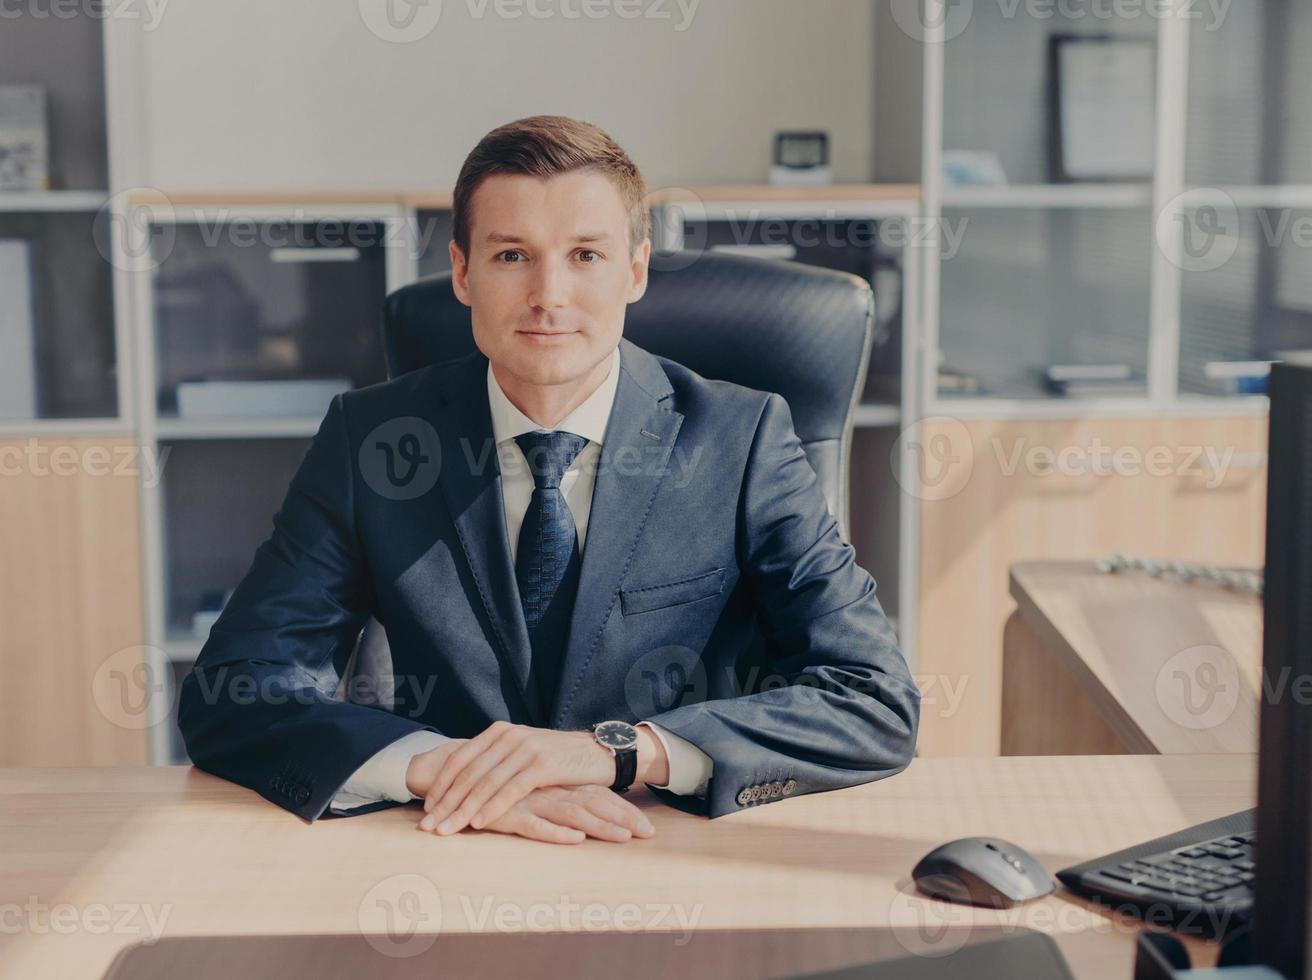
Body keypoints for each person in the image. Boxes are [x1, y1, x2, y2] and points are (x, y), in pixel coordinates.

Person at [178, 114, 919, 845]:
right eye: (512, 256)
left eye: (586, 256)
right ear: (463, 273)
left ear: (635, 270)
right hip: (446, 846)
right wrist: (442, 770)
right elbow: (235, 692)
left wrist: (620, 751)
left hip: (668, 851)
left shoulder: (742, 438)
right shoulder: (371, 440)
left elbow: (874, 699)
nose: (549, 295)